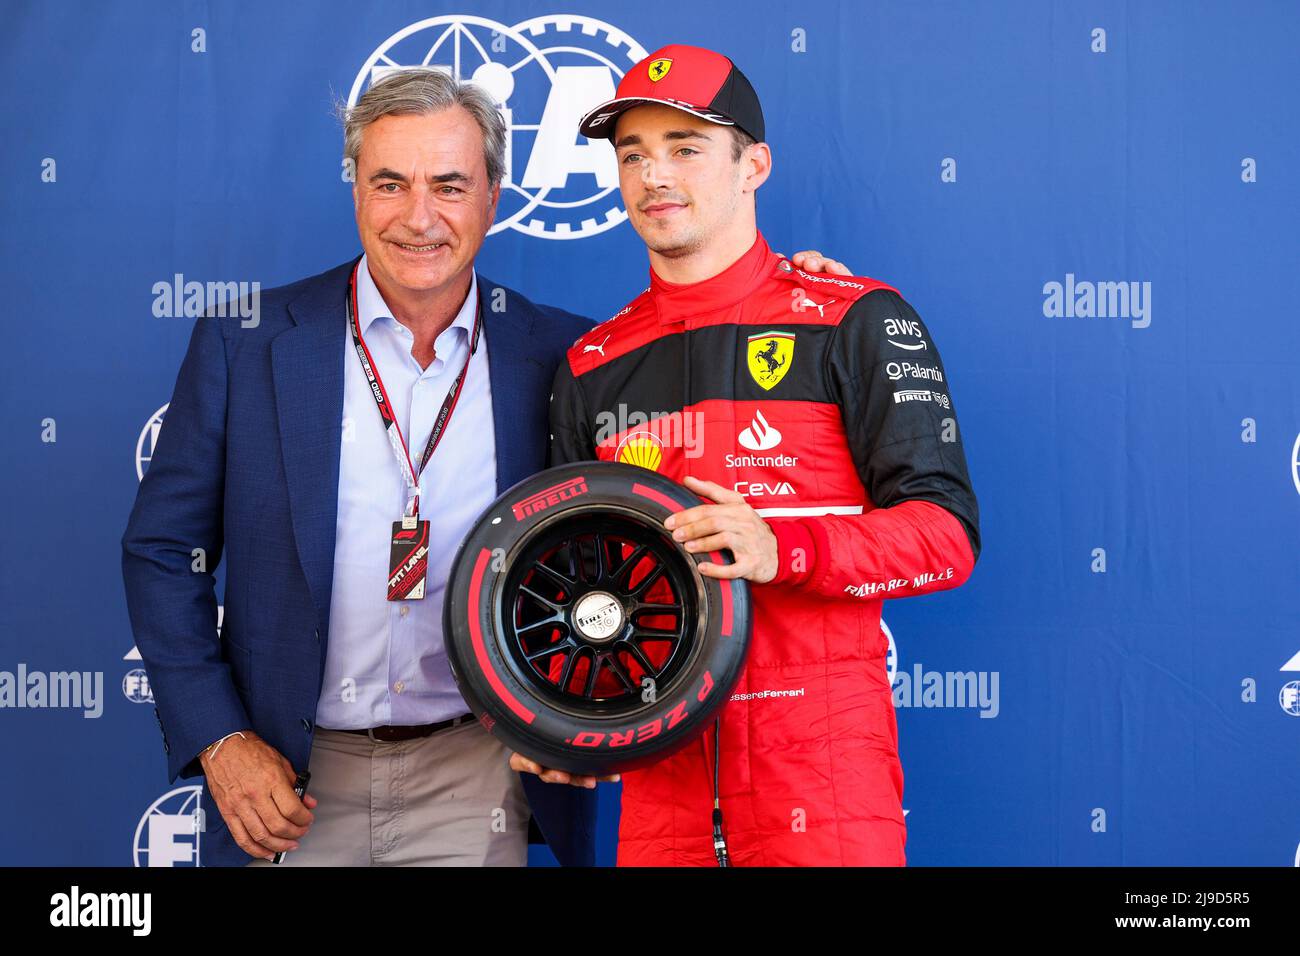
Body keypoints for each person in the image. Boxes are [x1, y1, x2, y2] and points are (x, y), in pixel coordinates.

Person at [121, 67, 844, 866]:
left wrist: (778, 293)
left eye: (450, 185)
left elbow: (659, 485)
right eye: (390, 183)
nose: (419, 217)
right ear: (355, 188)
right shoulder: (245, 340)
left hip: (480, 775)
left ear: (494, 198)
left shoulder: (566, 355)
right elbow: (162, 553)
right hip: (288, 778)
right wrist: (220, 739)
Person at [526, 44, 982, 865]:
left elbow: (946, 539)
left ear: (754, 166)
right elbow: (574, 577)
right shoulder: (593, 364)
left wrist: (786, 548)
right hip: (659, 779)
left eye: (686, 148)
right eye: (634, 155)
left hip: (824, 774)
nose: (655, 175)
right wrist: (561, 718)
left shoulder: (858, 318)